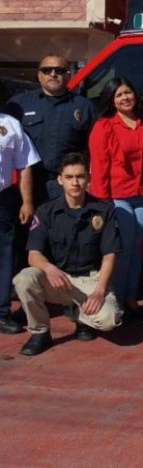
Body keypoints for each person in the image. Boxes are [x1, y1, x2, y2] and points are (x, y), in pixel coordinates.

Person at [12, 153, 122, 356]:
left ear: (88, 178)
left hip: (90, 279)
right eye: (69, 177)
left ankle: (80, 316)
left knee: (109, 320)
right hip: (58, 279)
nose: (75, 182)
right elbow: (33, 254)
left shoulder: (104, 210)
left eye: (80, 176)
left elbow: (109, 255)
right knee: (24, 279)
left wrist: (99, 291)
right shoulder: (46, 211)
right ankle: (40, 332)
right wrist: (48, 268)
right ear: (60, 180)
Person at [88, 78, 143, 318]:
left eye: (128, 92)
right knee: (123, 249)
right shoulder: (104, 126)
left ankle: (130, 296)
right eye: (119, 95)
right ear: (111, 100)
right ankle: (115, 298)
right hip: (118, 197)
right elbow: (99, 167)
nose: (125, 98)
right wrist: (102, 203)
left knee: (137, 249)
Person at [4, 54, 95, 203]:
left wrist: (90, 180)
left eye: (59, 70)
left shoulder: (84, 106)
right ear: (39, 75)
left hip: (69, 184)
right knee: (30, 226)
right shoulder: (18, 105)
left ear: (68, 75)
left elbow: (93, 149)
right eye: (47, 70)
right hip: (28, 185)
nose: (53, 74)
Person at [0, 112, 40, 335]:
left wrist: (27, 201)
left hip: (2, 200)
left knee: (4, 256)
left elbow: (25, 165)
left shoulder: (10, 124)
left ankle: (1, 312)